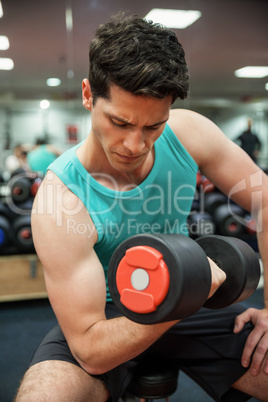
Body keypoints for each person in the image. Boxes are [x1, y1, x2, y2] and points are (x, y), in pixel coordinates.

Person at [16, 14, 268, 402]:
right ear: (88, 95)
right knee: (44, 396)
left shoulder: (188, 134)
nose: (135, 144)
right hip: (108, 320)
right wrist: (189, 296)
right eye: (120, 122)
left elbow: (263, 198)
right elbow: (91, 350)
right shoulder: (60, 200)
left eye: (153, 127)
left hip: (189, 297)